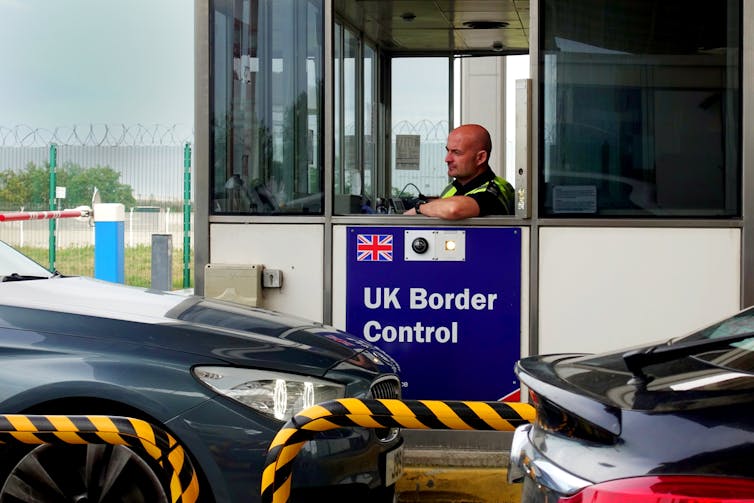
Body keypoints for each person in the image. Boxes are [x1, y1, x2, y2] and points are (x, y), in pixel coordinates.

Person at [404, 124, 514, 219]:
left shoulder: (492, 191)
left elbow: (454, 209)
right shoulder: (455, 186)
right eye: (448, 151)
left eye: (456, 152)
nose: (447, 159)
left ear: (480, 158)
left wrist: (419, 208)